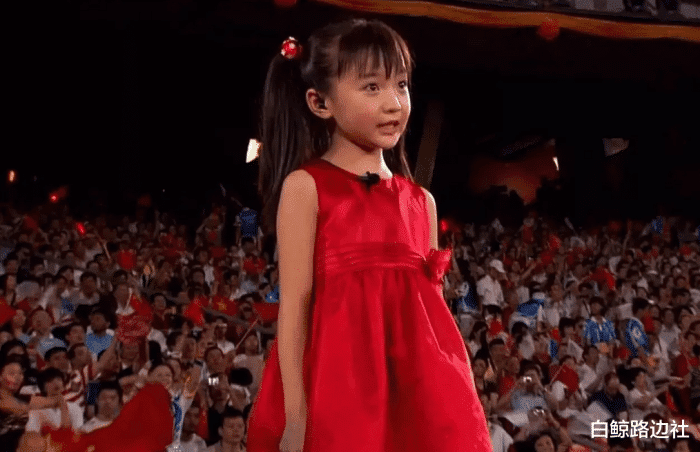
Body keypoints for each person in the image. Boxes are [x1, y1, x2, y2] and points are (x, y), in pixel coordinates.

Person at [247, 18, 490, 452]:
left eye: (401, 85)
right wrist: (297, 415)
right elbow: (295, 308)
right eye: (372, 87)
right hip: (341, 385)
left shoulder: (422, 202)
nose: (394, 103)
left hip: (421, 392)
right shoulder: (307, 187)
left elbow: (431, 319)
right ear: (320, 102)